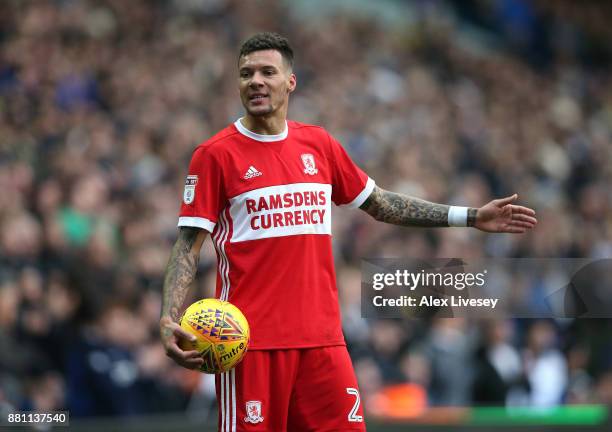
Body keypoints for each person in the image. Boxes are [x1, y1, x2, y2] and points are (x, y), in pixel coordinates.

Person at [159, 32, 537, 431]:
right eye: (246, 73)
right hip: (250, 343)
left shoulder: (318, 145)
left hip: (323, 341)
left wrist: (471, 216)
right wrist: (168, 316)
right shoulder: (215, 155)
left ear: (291, 81)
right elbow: (187, 246)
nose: (255, 81)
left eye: (268, 72)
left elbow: (380, 204)